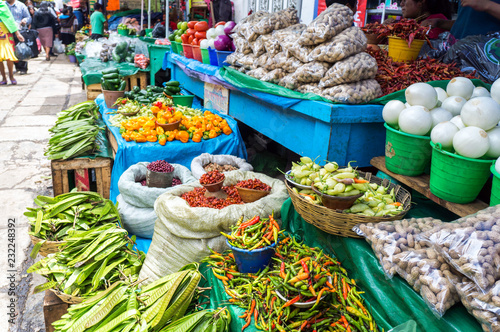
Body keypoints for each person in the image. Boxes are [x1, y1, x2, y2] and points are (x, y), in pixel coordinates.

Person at [422, 0, 500, 39]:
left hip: (487, 57)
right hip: (458, 51)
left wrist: (486, 5)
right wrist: (440, 23)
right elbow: (468, 22)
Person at [0, 0, 24, 84]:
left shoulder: (2, 5)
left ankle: (11, 76)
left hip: (5, 34)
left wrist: (17, 34)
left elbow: (10, 20)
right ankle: (3, 78)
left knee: (9, 57)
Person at [6, 0, 30, 74]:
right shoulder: (2, 6)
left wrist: (25, 20)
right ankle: (16, 67)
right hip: (6, 32)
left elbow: (28, 17)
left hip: (19, 31)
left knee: (21, 49)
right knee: (11, 50)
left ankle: (23, 68)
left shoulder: (21, 6)